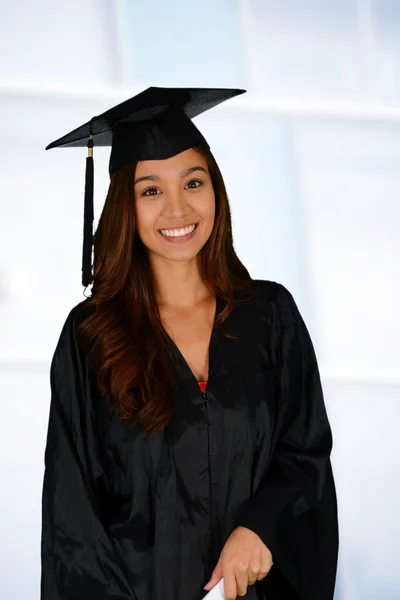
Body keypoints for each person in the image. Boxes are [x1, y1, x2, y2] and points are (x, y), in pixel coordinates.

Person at [40, 86, 339, 600]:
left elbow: (304, 452)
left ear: (216, 190)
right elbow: (73, 515)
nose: (178, 209)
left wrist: (258, 527)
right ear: (125, 208)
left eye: (193, 182)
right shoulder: (90, 336)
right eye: (151, 190)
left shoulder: (270, 317)